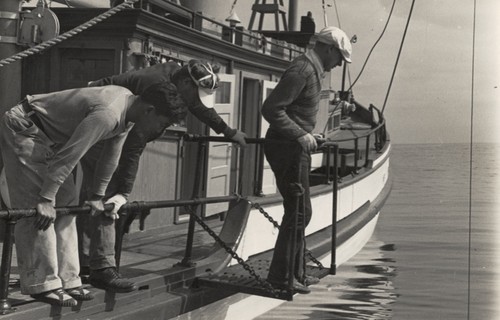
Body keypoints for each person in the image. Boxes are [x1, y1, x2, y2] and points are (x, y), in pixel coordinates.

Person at [0, 82, 187, 306]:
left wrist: (97, 195)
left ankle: (69, 279)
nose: (160, 130)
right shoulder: (108, 114)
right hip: (24, 125)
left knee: (67, 203)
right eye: (162, 122)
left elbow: (111, 157)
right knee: (37, 209)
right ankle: (42, 284)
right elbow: (71, 155)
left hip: (50, 136)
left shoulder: (129, 111)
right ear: (149, 110)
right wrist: (46, 198)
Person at [77, 59, 247, 293]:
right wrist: (124, 193)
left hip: (109, 121)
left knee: (98, 194)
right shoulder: (154, 86)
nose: (196, 101)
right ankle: (101, 268)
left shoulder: (180, 84)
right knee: (108, 192)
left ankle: (86, 263)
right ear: (186, 82)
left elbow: (198, 105)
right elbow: (132, 149)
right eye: (195, 93)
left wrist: (228, 132)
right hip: (98, 119)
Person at [261, 26, 352, 294]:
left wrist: (310, 135)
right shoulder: (302, 71)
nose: (338, 65)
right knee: (300, 212)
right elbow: (271, 109)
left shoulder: (312, 70)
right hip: (286, 147)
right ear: (328, 49)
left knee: (301, 211)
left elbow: (291, 111)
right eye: (339, 58)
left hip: (293, 145)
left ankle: (295, 273)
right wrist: (301, 135)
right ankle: (281, 278)